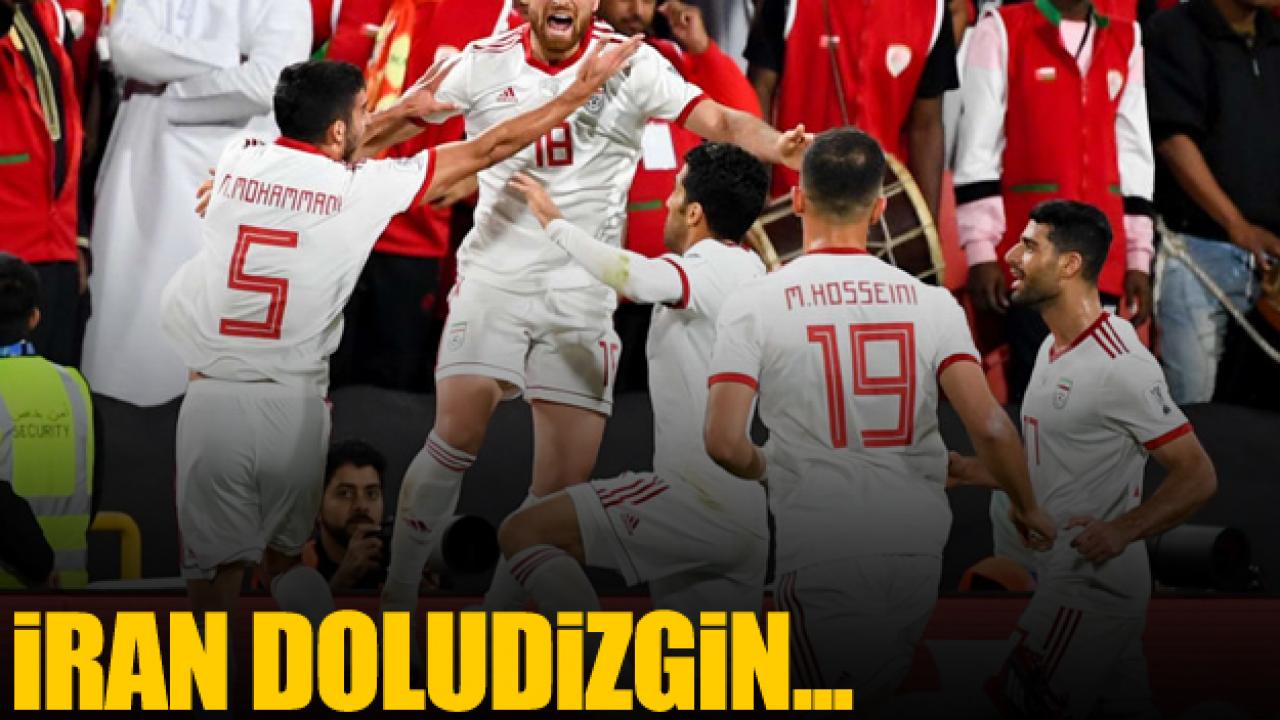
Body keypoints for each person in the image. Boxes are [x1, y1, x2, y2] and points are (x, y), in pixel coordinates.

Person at [162, 43, 641, 629]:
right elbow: (489, 148)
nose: (371, 118)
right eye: (364, 110)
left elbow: (327, 148)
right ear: (339, 129)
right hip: (296, 407)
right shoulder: (363, 188)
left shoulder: (238, 160)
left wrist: (404, 109)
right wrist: (574, 94)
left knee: (212, 587)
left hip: (215, 398)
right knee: (287, 563)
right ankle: (336, 667)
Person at [379, 0, 811, 616]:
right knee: (457, 433)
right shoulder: (483, 61)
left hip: (582, 296)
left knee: (555, 497)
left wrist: (778, 145)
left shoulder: (634, 64)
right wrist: (333, 158)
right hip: (496, 279)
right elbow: (405, 115)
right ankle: (397, 599)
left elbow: (718, 117)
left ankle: (501, 627)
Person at [703, 128, 1055, 703]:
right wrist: (1028, 506)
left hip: (823, 547)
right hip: (916, 552)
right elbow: (992, 426)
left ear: (797, 201)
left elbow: (723, 442)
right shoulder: (933, 303)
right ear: (880, 209)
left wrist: (767, 466)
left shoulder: (755, 303)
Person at [949, 200, 1218, 718]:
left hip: (1089, 589)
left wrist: (1121, 531)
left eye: (1030, 246)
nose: (1011, 256)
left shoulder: (1121, 366)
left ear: (1069, 264)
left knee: (1008, 703)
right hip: (1063, 577)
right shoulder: (1052, 347)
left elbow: (1198, 475)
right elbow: (1055, 466)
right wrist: (973, 471)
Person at [493, 142, 772, 618]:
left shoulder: (710, 267)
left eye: (676, 190)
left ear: (694, 213)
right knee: (700, 665)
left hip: (696, 500)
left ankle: (591, 652)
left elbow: (633, 278)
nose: (666, 200)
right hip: (743, 515)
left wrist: (555, 223)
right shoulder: (750, 267)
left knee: (524, 532)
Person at [83, 0, 311, 407]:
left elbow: (268, 83)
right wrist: (227, 55)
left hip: (229, 182)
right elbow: (127, 46)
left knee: (207, 349)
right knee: (124, 337)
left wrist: (169, 95)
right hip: (140, 168)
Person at [954, 0, 1155, 404]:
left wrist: (1138, 257)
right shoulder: (1002, 30)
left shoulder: (1125, 37)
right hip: (1032, 253)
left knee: (1098, 392)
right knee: (1038, 388)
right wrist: (980, 251)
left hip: (1102, 255)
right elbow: (978, 149)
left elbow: (1133, 152)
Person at [596, 0, 762, 391]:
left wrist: (702, 50)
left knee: (674, 402)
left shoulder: (670, 58)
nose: (636, 9)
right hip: (611, 289)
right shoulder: (581, 65)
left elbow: (743, 117)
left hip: (681, 282)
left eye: (646, 0)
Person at [1145, 0, 1280, 404]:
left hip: (1272, 261)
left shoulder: (1274, 36)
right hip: (1197, 253)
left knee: (1262, 418)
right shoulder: (1174, 30)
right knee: (1194, 412)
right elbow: (1173, 140)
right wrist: (1236, 224)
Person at [744, 0, 957, 219]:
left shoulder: (933, 9)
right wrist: (753, 197)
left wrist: (929, 227)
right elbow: (758, 92)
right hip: (795, 203)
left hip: (882, 213)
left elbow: (925, 127)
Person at [0, 253, 98, 589]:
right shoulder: (75, 387)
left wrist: (39, 566)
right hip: (69, 596)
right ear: (35, 318)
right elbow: (94, 490)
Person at [0, 0, 89, 368]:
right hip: (7, 246)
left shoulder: (50, 13)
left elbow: (67, 135)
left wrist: (77, 236)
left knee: (56, 389)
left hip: (57, 247)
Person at [311, 440, 388, 592]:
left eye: (371, 493)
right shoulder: (292, 567)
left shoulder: (399, 564)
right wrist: (342, 582)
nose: (362, 506)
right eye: (346, 493)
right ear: (317, 506)